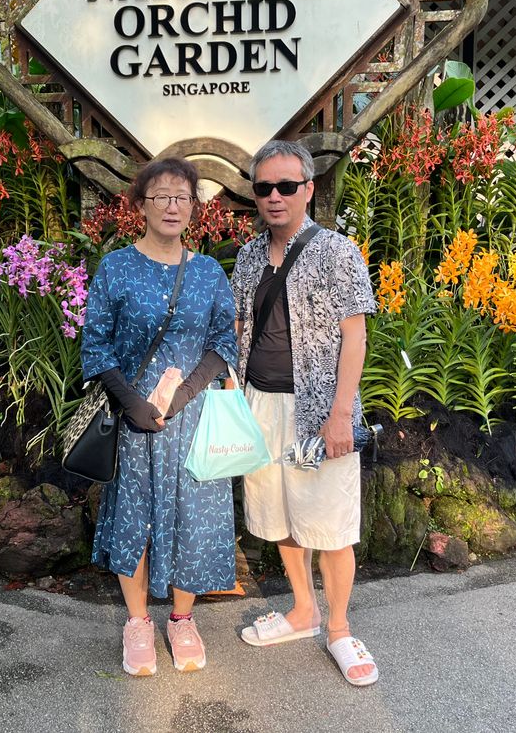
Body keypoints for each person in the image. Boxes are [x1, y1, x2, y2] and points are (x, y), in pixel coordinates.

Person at [81, 157, 238, 677]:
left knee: (195, 515)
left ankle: (182, 619)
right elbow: (96, 345)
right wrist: (132, 403)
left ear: (194, 207)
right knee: (134, 515)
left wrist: (187, 392)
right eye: (161, 196)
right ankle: (137, 622)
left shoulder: (208, 272)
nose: (172, 206)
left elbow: (224, 341)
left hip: (192, 419)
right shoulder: (116, 268)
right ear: (141, 206)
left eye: (182, 197)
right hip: (135, 420)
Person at [230, 139, 380, 686]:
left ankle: (339, 628)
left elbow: (355, 336)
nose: (275, 196)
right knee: (280, 514)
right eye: (264, 187)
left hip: (317, 410)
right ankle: (302, 610)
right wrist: (233, 395)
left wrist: (341, 414)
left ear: (308, 189)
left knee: (331, 523)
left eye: (286, 186)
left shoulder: (337, 252)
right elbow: (239, 326)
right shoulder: (248, 256)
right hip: (260, 404)